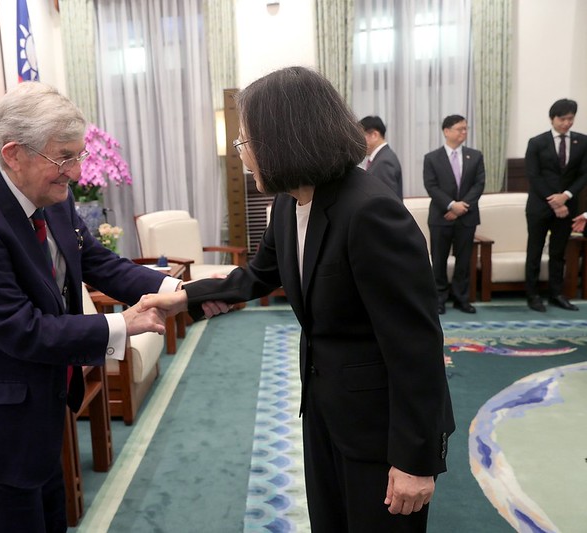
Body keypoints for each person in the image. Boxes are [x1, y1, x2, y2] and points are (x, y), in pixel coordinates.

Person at [142, 66, 454, 532]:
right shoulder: (289, 203)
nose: (242, 157)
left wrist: (415, 460)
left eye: (244, 143)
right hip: (325, 404)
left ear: (283, 139)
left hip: (378, 427)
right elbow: (257, 276)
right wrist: (180, 297)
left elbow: (417, 346)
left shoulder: (370, 212)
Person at [0, 81, 177, 532]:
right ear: (14, 153)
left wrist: (178, 289)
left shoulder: (50, 193)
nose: (75, 172)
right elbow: (19, 328)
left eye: (79, 155)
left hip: (41, 410)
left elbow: (96, 261)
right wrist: (121, 324)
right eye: (64, 157)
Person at [525, 98, 587, 312]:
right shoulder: (537, 142)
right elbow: (533, 176)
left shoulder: (583, 141)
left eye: (571, 119)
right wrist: (554, 200)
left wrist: (566, 196)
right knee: (534, 251)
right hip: (540, 205)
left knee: (558, 252)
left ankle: (556, 293)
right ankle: (532, 295)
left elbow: (583, 174)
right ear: (552, 119)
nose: (567, 123)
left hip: (568, 205)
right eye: (562, 119)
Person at [422, 115, 485, 314]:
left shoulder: (475, 156)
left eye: (466, 129)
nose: (464, 132)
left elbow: (479, 184)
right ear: (446, 131)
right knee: (439, 261)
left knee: (464, 260)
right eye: (460, 129)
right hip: (440, 217)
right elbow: (431, 186)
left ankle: (461, 298)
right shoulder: (432, 158)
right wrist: (450, 206)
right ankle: (439, 298)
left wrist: (461, 207)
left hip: (467, 217)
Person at [360, 115, 403, 198]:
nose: (359, 141)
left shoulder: (384, 162)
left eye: (362, 135)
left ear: (375, 135)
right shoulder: (382, 157)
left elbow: (387, 201)